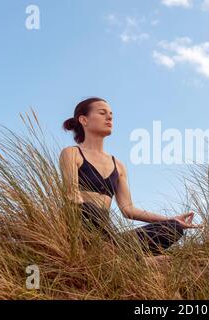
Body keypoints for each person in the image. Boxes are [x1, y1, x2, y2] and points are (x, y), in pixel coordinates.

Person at [60, 97, 199, 256]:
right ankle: (129, 257)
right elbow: (71, 196)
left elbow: (128, 210)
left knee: (173, 228)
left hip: (109, 237)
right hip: (81, 230)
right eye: (102, 113)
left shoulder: (118, 165)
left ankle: (115, 254)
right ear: (84, 120)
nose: (109, 117)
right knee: (88, 208)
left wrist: (169, 219)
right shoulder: (72, 153)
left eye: (111, 114)